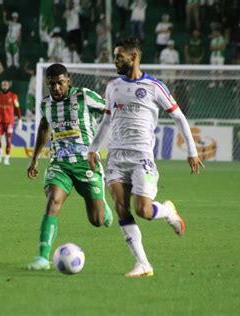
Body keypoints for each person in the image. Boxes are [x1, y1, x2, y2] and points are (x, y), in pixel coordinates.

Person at [87, 38, 204, 278]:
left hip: (142, 156)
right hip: (116, 156)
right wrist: (93, 148)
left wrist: (192, 151)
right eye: (114, 56)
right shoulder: (112, 87)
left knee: (144, 210)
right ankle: (143, 264)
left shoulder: (154, 86)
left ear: (134, 57)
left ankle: (168, 211)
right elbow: (107, 120)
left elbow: (179, 117)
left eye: (119, 56)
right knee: (121, 208)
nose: (115, 61)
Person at [27, 63, 114, 271]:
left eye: (59, 83)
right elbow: (44, 128)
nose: (55, 88)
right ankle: (42, 257)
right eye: (51, 84)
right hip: (60, 164)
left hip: (86, 163)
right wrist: (35, 158)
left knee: (97, 220)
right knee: (53, 200)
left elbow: (110, 110)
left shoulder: (84, 97)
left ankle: (101, 199)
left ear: (68, 81)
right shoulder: (46, 104)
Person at [0, 80, 22, 165]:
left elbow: (17, 108)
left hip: (9, 122)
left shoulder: (13, 96)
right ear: (1, 86)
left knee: (8, 140)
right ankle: (0, 150)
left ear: (9, 86)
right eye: (3, 85)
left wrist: (20, 120)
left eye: (6, 85)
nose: (4, 87)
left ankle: (7, 157)